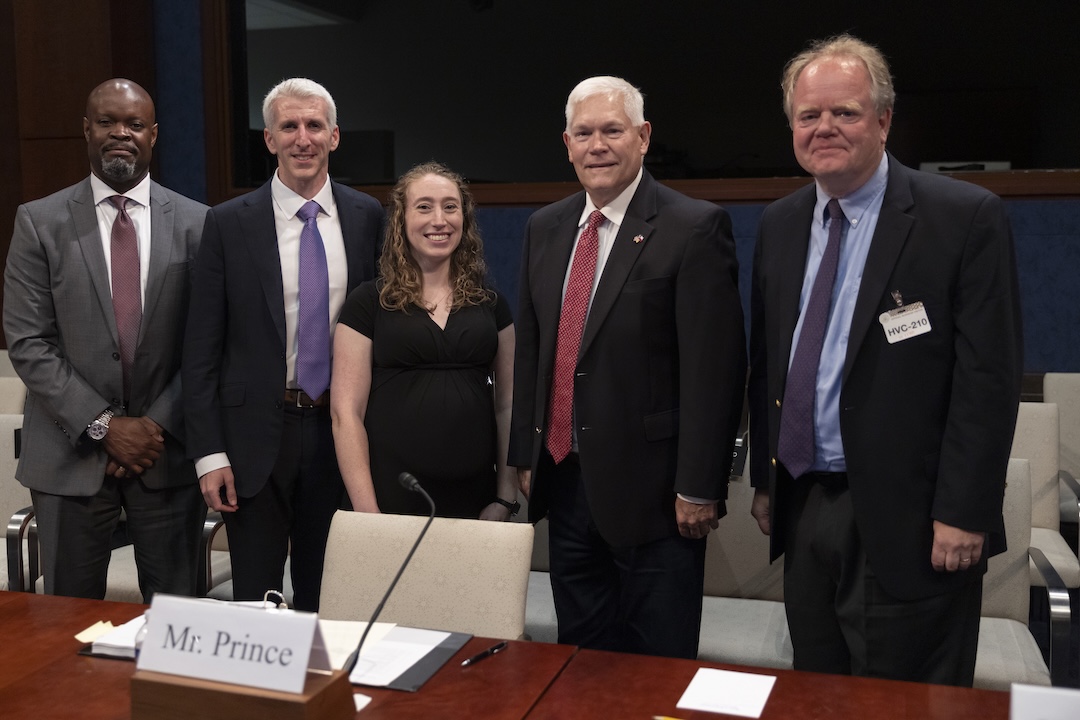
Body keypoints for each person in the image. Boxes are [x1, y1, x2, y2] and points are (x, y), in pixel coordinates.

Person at [748, 35, 1022, 686]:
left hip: (918, 519)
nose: (824, 128)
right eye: (808, 116)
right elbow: (770, 364)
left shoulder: (962, 217)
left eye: (843, 112)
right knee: (818, 690)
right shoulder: (780, 224)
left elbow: (988, 380)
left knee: (906, 702)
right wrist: (767, 476)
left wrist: (964, 512)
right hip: (807, 502)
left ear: (883, 120)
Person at [509, 76, 746, 658]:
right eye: (584, 133)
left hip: (658, 498)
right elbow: (534, 350)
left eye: (612, 130)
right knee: (579, 659)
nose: (598, 145)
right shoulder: (546, 227)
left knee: (656, 667)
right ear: (566, 144)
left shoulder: (693, 226)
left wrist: (699, 485)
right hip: (564, 484)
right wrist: (525, 454)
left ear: (642, 137)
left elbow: (715, 373)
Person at [182, 78, 384, 611]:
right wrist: (208, 455)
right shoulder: (226, 224)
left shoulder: (369, 219)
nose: (303, 138)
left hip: (338, 432)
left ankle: (323, 694)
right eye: (288, 126)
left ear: (334, 136)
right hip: (251, 445)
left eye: (314, 125)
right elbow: (201, 349)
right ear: (268, 139)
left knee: (332, 598)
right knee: (256, 601)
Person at [3, 78, 208, 601]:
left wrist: (151, 426)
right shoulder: (39, 222)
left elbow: (207, 344)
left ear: (154, 134)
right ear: (86, 130)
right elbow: (28, 341)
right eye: (107, 122)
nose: (121, 133)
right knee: (64, 633)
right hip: (68, 461)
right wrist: (104, 426)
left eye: (134, 124)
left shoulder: (198, 223)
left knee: (174, 627)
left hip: (165, 458)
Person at [332, 162, 517, 519]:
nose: (439, 219)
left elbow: (508, 406)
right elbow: (345, 414)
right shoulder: (367, 303)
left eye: (450, 206)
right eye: (424, 207)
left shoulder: (492, 304)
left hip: (475, 502)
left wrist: (505, 498)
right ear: (401, 218)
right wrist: (367, 510)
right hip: (388, 500)